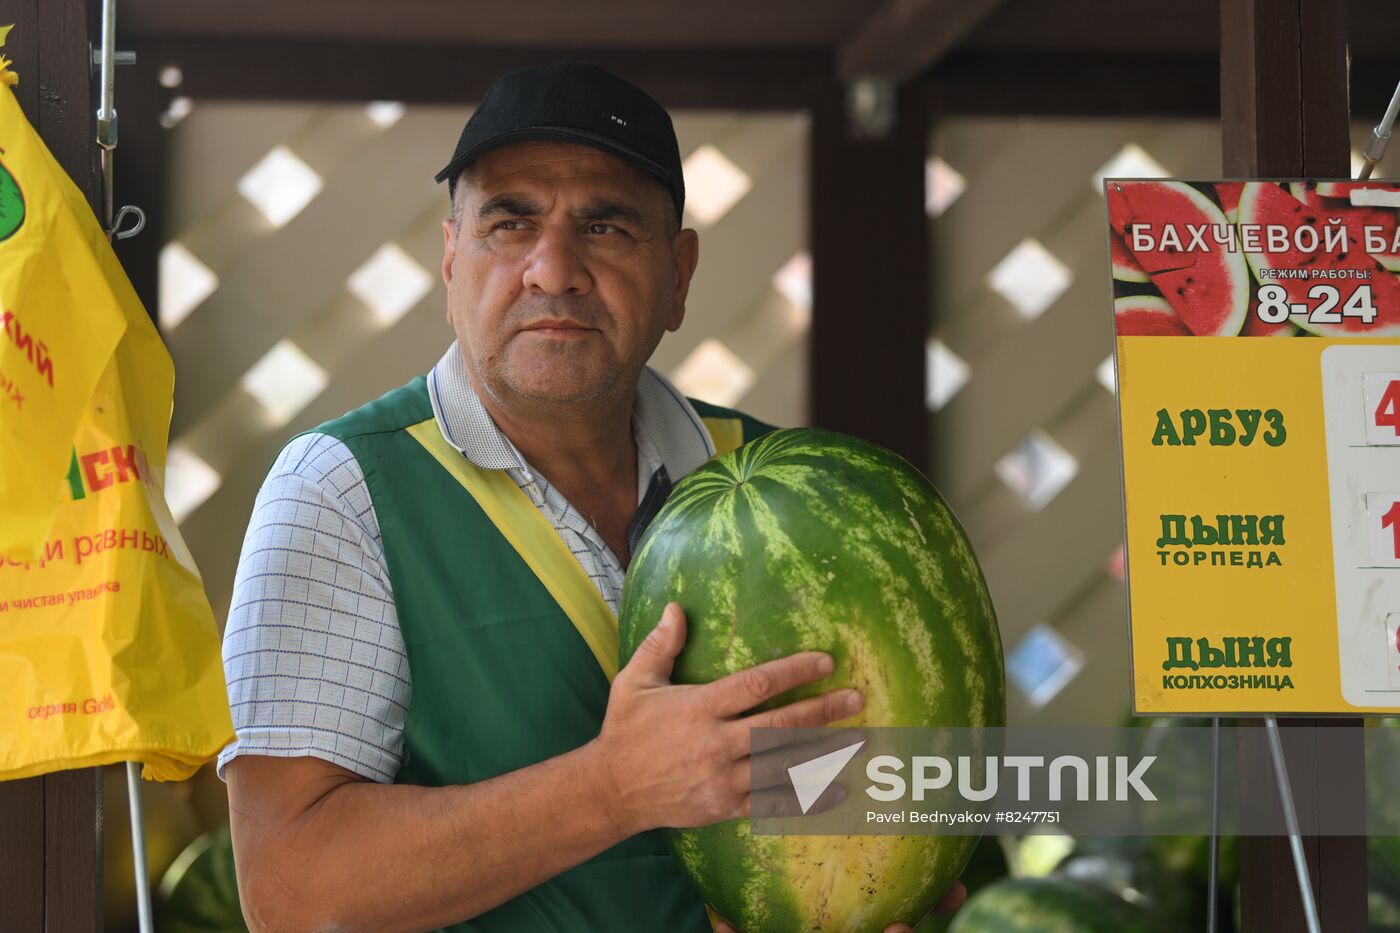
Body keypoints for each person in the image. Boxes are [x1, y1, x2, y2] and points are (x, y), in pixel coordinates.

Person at [219, 61, 963, 932]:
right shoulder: (342, 492)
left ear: (679, 273)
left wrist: (862, 887)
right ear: (451, 258)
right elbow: (291, 888)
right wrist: (613, 787)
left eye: (605, 225)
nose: (555, 269)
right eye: (510, 221)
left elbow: (882, 783)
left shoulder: (799, 483)